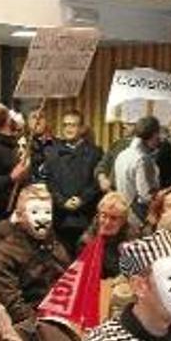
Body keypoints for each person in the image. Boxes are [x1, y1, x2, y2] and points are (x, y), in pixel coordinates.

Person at [0, 184, 70, 325]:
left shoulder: (56, 247)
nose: (43, 218)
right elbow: (13, 306)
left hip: (58, 321)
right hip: (25, 330)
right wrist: (45, 327)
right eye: (35, 212)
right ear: (20, 215)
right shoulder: (4, 255)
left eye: (47, 212)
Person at [42, 110, 103, 255]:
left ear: (81, 128)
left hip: (85, 215)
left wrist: (82, 199)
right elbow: (49, 182)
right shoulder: (51, 152)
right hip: (60, 217)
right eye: (65, 125)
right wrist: (62, 201)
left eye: (73, 125)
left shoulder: (95, 152)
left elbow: (96, 183)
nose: (68, 129)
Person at [78, 192, 140, 279]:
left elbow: (137, 271)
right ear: (98, 215)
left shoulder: (133, 238)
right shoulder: (87, 241)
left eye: (113, 218)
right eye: (104, 216)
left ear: (123, 221)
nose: (107, 222)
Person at [115, 116, 162, 227]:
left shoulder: (122, 154)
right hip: (139, 219)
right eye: (158, 134)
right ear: (154, 135)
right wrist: (161, 195)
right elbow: (146, 196)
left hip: (122, 212)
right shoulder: (143, 159)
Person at [95, 122, 136, 193]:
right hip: (112, 193)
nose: (124, 126)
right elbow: (102, 165)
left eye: (129, 124)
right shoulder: (117, 144)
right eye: (124, 123)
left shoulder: (146, 146)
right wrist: (102, 178)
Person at [28, 108, 55, 184]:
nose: (37, 120)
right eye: (34, 117)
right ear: (28, 121)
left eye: (41, 117)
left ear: (46, 121)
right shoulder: (21, 144)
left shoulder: (57, 144)